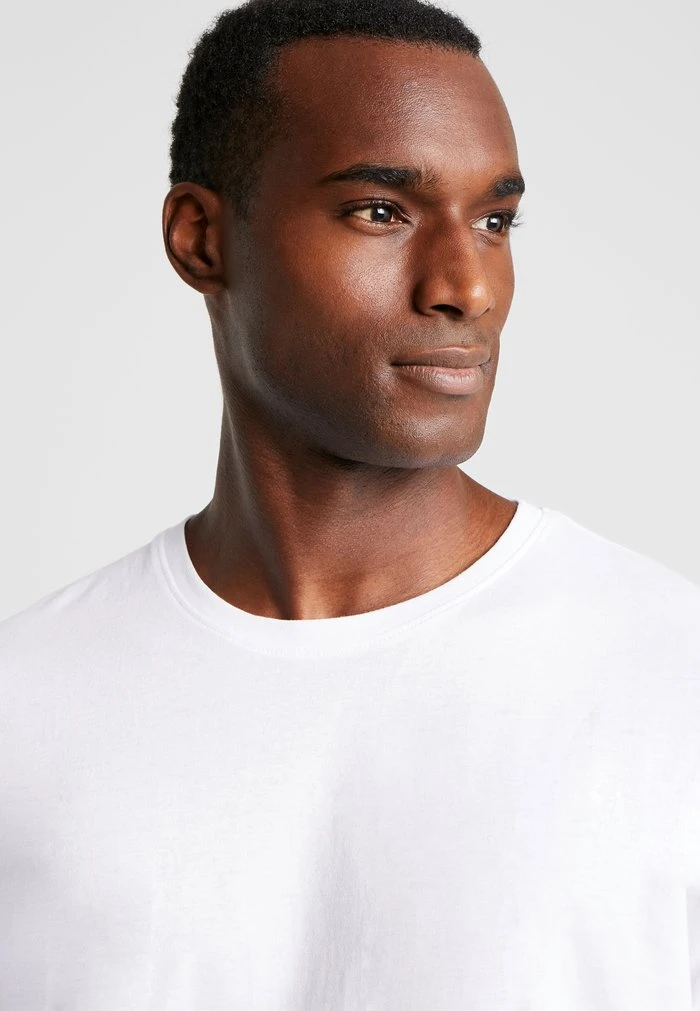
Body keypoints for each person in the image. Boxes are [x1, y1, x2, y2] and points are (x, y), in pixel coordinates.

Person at [1, 0, 699, 1006]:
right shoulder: (24, 708)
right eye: (381, 212)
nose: (466, 287)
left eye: (495, 222)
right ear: (202, 240)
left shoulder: (671, 684)